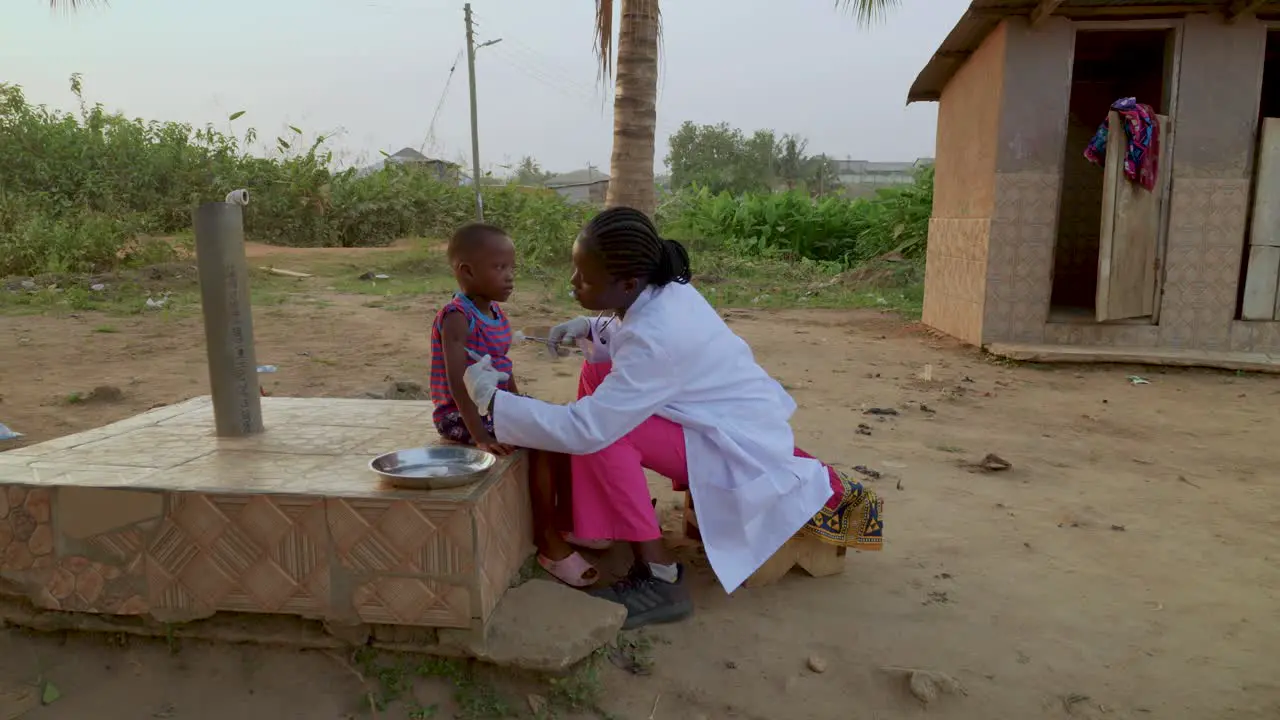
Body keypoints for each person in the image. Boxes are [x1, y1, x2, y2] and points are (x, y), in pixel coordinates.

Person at [461, 207, 884, 630]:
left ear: (627, 283)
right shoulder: (661, 289)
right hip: (723, 420)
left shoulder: (656, 336)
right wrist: (591, 327)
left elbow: (585, 428)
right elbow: (628, 335)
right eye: (575, 271)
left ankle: (661, 576)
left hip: (736, 449)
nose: (573, 283)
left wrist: (495, 402)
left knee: (609, 435)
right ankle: (599, 520)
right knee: (597, 371)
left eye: (585, 279)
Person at [429, 223, 599, 587]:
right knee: (539, 440)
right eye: (499, 268)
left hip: (494, 405)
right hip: (459, 414)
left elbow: (501, 369)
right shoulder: (456, 316)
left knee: (557, 425)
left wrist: (521, 405)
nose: (509, 277)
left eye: (511, 268)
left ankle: (570, 522)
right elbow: (460, 380)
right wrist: (477, 434)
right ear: (467, 272)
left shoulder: (495, 314)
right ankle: (548, 542)